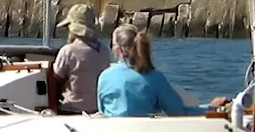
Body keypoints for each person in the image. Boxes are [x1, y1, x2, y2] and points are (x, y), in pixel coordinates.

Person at [98, 24, 230, 117]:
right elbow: (179, 112)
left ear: (118, 49)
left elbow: (103, 110)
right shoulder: (154, 77)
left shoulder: (104, 77)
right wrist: (212, 107)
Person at [49, 2, 109, 114]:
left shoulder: (68, 51)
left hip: (70, 108)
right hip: (96, 109)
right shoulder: (104, 51)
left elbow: (56, 79)